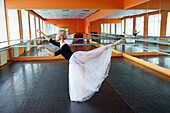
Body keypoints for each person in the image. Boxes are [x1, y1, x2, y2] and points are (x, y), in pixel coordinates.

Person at [36, 29, 126, 102]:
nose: (55, 36)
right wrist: (41, 33)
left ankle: (115, 44)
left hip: (77, 58)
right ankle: (80, 96)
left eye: (57, 34)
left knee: (95, 54)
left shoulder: (64, 46)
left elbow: (53, 54)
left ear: (61, 37)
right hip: (74, 62)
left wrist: (45, 48)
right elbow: (50, 40)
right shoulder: (61, 44)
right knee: (81, 78)